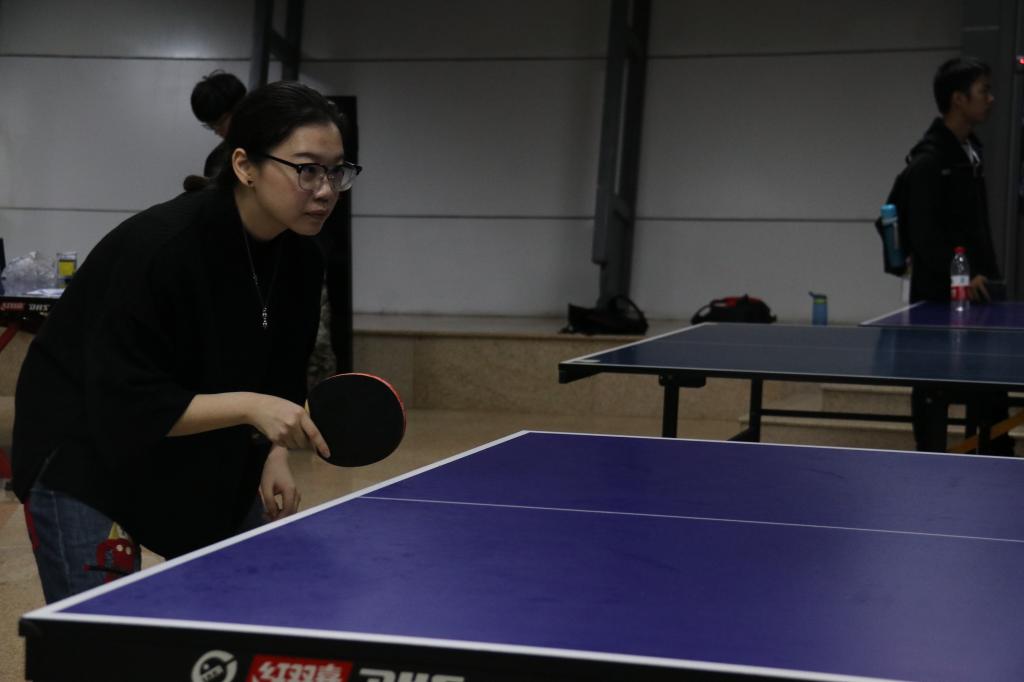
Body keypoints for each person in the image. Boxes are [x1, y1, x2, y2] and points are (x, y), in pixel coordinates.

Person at [12, 81, 363, 603]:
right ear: (244, 166)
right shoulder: (160, 248)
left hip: (190, 451)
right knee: (106, 635)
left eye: (337, 171)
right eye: (307, 169)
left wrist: (272, 454)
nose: (326, 189)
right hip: (85, 455)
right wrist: (252, 407)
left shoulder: (304, 258)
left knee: (242, 609)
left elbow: (279, 375)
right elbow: (125, 402)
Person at [901, 56, 1012, 455]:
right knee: (933, 388)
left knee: (991, 388)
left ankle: (996, 460)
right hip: (938, 299)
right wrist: (961, 273)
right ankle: (929, 457)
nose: (991, 99)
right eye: (984, 91)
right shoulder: (929, 160)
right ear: (958, 99)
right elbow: (922, 235)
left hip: (977, 299)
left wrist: (987, 275)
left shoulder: (970, 152)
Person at [190, 70, 247, 178]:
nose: (217, 131)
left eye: (220, 122)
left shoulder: (274, 141)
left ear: (240, 107)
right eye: (211, 126)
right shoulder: (216, 162)